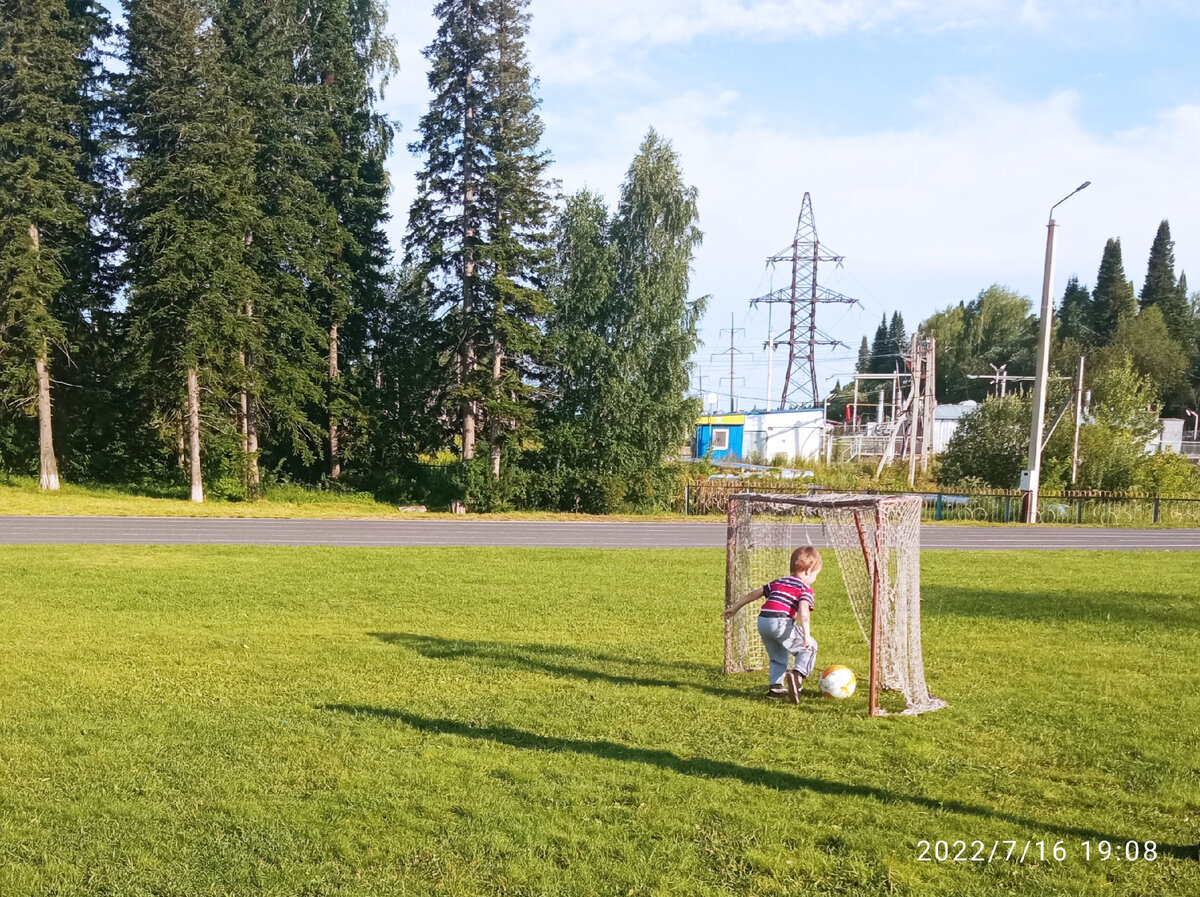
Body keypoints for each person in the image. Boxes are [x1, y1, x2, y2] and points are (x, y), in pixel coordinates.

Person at [723, 545, 822, 703]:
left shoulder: (780, 581)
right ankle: (797, 675)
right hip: (780, 621)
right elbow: (804, 610)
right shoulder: (805, 588)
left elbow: (756, 593)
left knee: (778, 656)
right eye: (816, 574)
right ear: (808, 570)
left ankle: (775, 688)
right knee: (810, 648)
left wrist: (735, 607)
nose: (814, 579)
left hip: (763, 621)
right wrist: (806, 635)